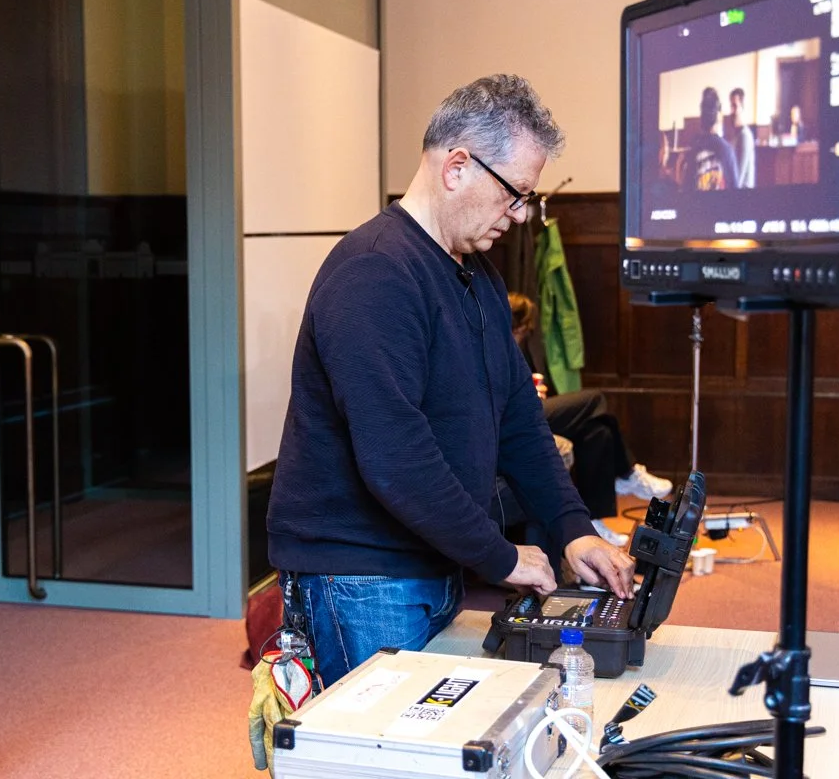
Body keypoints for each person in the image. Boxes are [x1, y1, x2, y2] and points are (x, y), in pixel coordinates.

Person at [266, 75, 635, 688]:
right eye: (515, 195)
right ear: (457, 166)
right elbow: (395, 457)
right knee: (381, 739)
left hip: (429, 560)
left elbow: (519, 419)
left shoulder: (477, 275)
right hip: (359, 576)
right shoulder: (373, 272)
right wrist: (498, 554)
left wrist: (573, 528)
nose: (520, 215)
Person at [507, 292, 673, 548]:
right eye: (525, 329)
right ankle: (627, 473)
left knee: (597, 430)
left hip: (527, 408)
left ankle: (592, 521)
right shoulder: (497, 345)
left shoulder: (520, 349)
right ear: (517, 325)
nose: (526, 333)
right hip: (514, 417)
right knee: (595, 400)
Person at [679, 87, 739, 192]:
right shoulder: (727, 151)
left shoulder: (693, 150)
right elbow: (736, 192)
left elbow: (686, 189)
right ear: (718, 116)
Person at [728, 88, 756, 189]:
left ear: (742, 108)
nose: (732, 111)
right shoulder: (736, 134)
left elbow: (738, 178)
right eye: (731, 106)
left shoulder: (745, 136)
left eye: (735, 106)